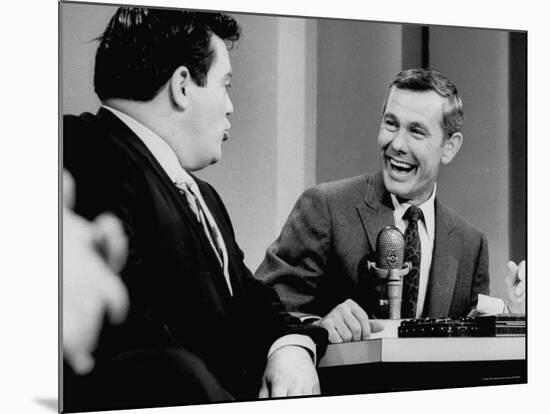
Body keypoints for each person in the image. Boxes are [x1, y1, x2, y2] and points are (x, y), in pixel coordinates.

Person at [63, 7, 327, 411]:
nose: (230, 107)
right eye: (226, 85)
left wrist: (289, 346)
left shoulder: (203, 196)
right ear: (183, 86)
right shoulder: (81, 151)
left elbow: (251, 302)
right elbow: (132, 333)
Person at [255, 68, 525, 344]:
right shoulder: (324, 207)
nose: (396, 144)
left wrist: (515, 315)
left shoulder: (471, 244)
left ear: (450, 147)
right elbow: (259, 310)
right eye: (391, 124)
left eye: (416, 131)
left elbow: (474, 347)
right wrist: (318, 326)